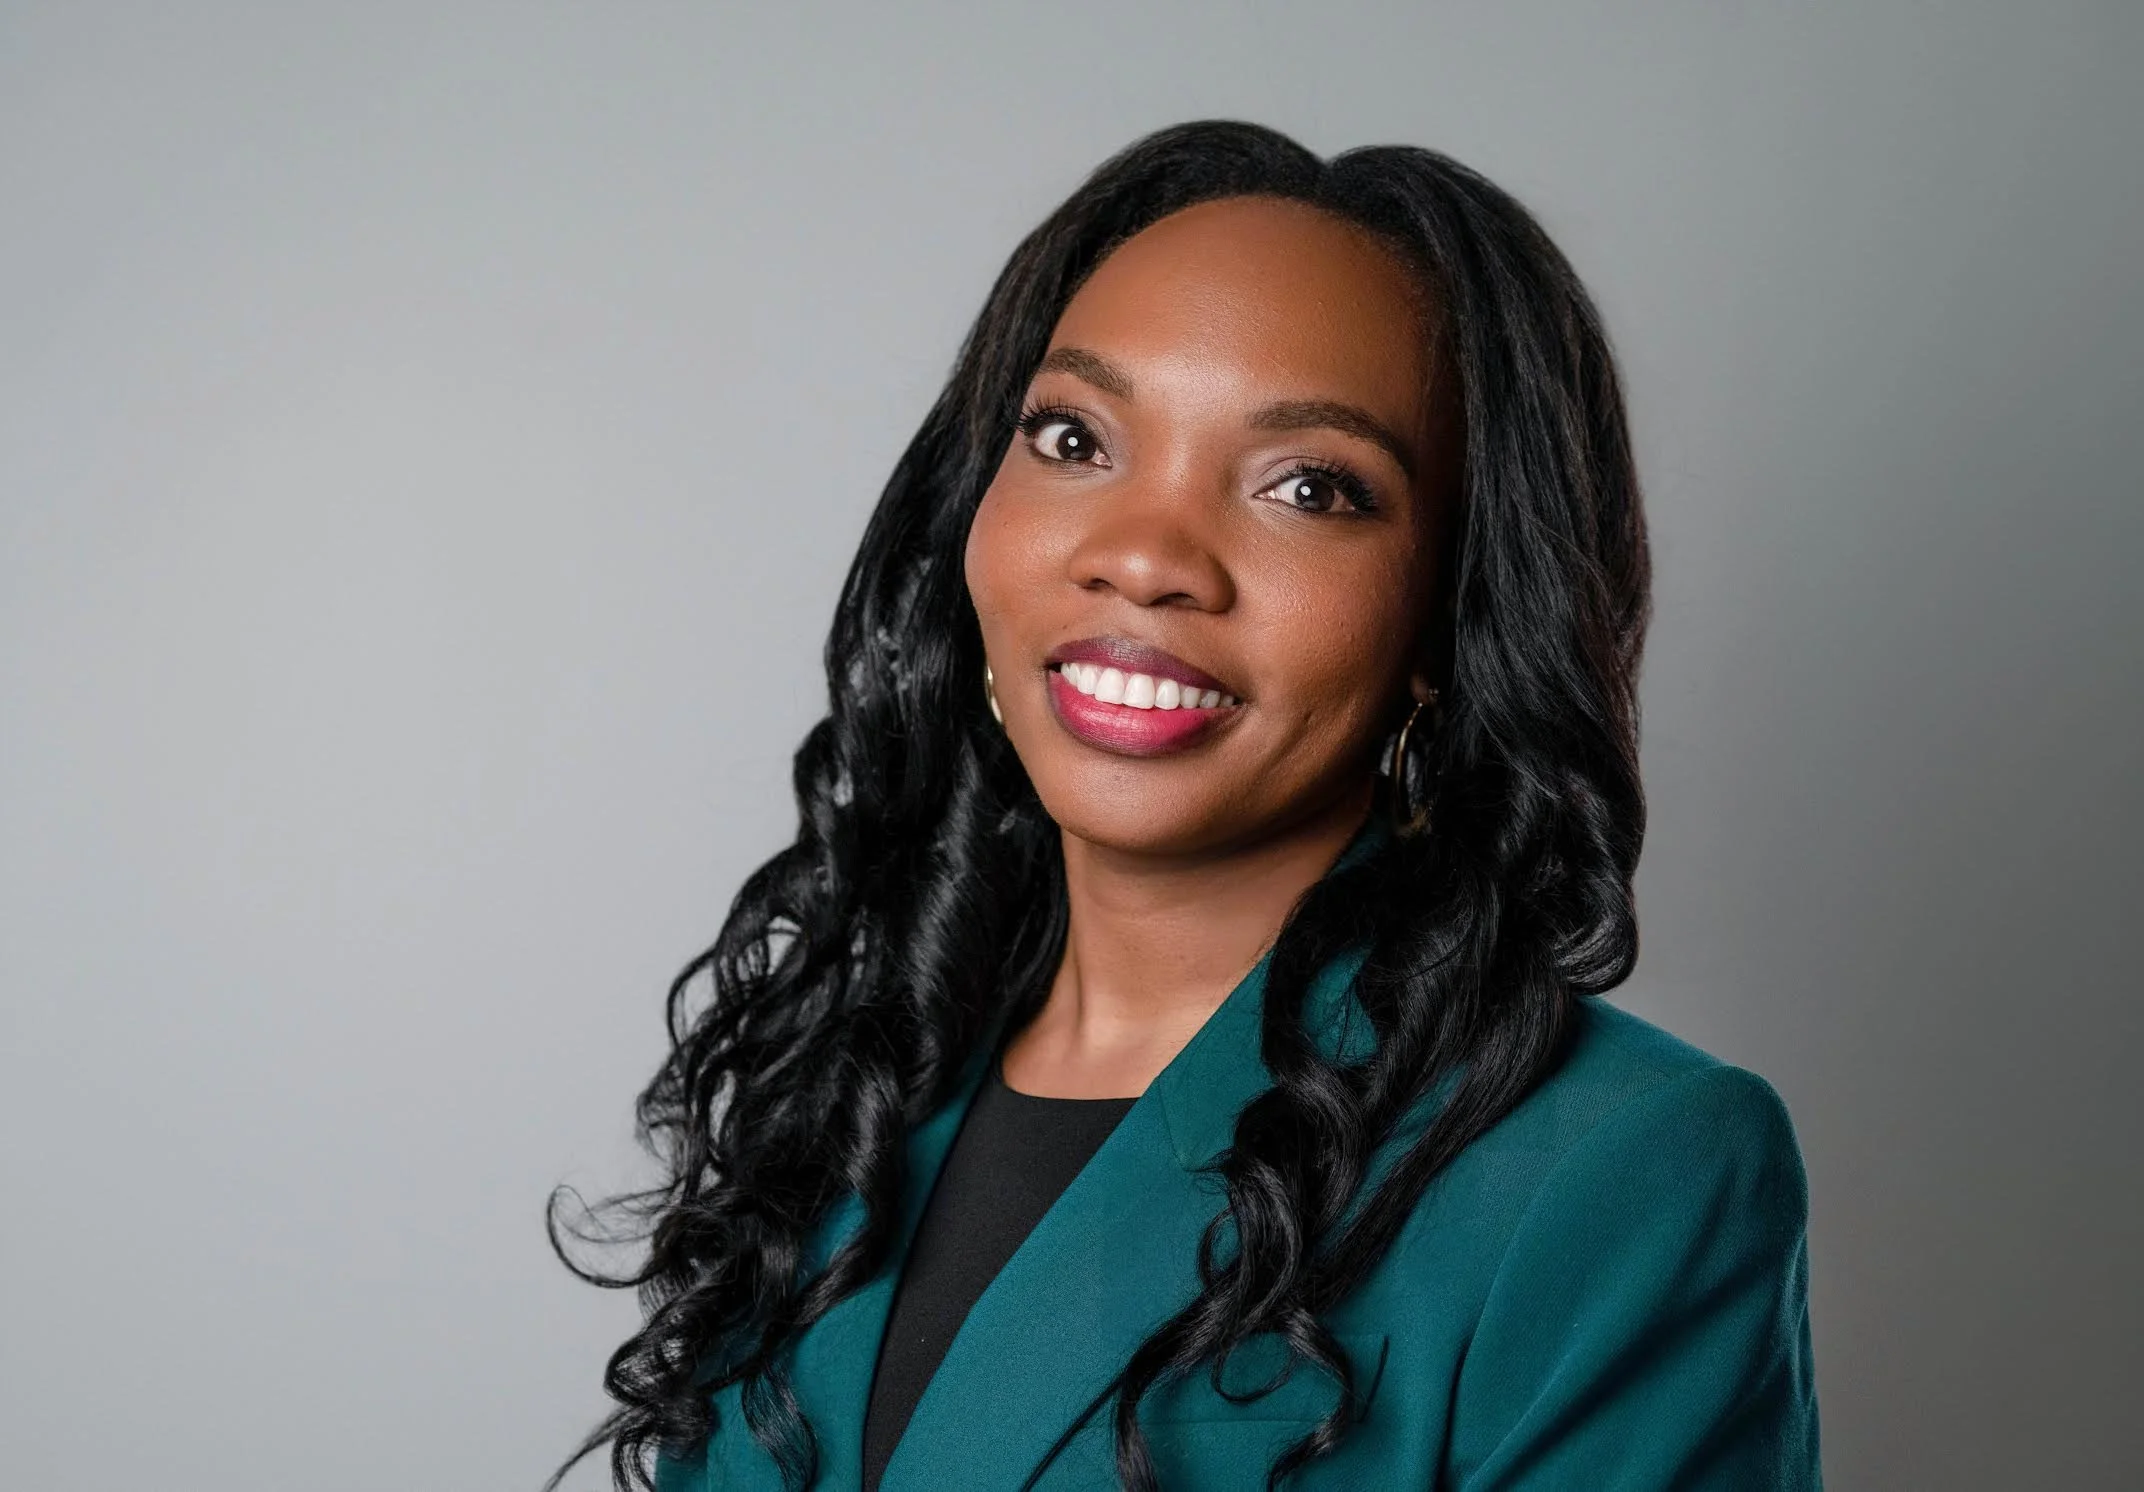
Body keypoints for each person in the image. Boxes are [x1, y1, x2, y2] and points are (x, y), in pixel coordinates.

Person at [548, 119, 1822, 1492]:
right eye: (1072, 437)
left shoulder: (1618, 1170)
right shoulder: (848, 1077)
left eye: (1309, 487)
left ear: (1451, 617)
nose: (1146, 555)